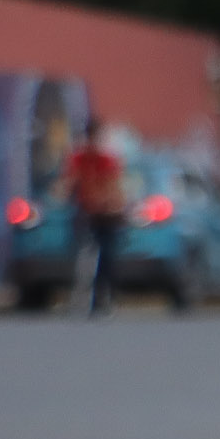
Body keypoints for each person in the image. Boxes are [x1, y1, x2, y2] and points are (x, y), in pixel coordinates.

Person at [63, 117, 128, 316]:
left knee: (107, 258)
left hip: (106, 216)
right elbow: (68, 183)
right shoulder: (79, 159)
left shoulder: (107, 160)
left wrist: (113, 204)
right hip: (87, 214)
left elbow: (113, 186)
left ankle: (103, 296)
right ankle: (83, 296)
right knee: (85, 255)